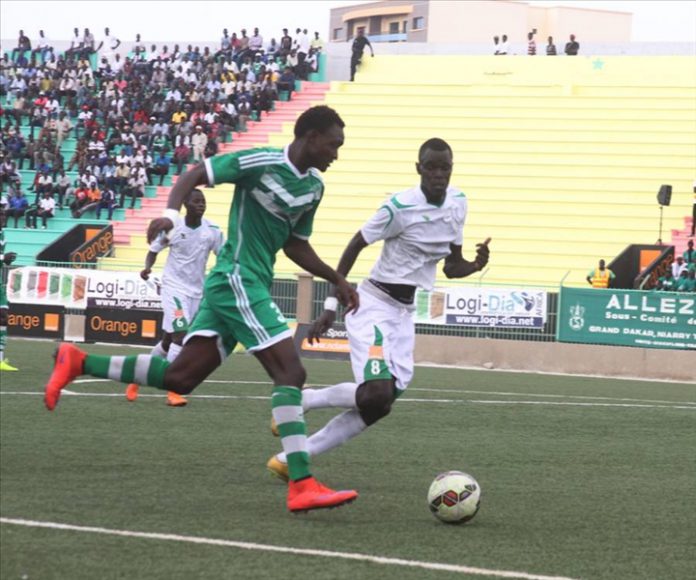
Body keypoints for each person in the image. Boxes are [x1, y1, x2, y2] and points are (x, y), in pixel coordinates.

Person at [44, 105, 360, 514]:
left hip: (241, 285)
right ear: (311, 136)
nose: (336, 154)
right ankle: (300, 482)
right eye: (333, 144)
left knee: (182, 376)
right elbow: (194, 175)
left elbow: (294, 244)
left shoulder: (313, 189)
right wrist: (169, 214)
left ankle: (79, 360)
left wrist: (336, 278)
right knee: (291, 372)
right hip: (236, 278)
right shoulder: (259, 162)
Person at [266, 138, 491, 482]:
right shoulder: (398, 207)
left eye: (444, 167)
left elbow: (452, 266)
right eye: (430, 166)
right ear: (419, 168)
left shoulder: (458, 204)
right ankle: (304, 403)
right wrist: (330, 304)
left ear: (451, 169)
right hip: (372, 305)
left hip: (403, 313)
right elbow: (355, 245)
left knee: (380, 403)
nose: (438, 174)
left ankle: (290, 456)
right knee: (376, 392)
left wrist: (475, 265)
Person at [125, 189, 224, 407]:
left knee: (168, 341)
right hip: (173, 288)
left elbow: (224, 255)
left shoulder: (213, 231)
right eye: (196, 201)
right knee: (181, 335)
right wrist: (147, 268)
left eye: (203, 201)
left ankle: (136, 379)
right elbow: (153, 251)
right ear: (186, 203)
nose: (201, 204)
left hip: (197, 291)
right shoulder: (172, 228)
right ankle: (172, 390)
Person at [0, 227, 19, 371]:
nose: (2, 217)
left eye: (4, 214)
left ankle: (0, 360)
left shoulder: (2, 234)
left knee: (3, 317)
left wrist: (5, 261)